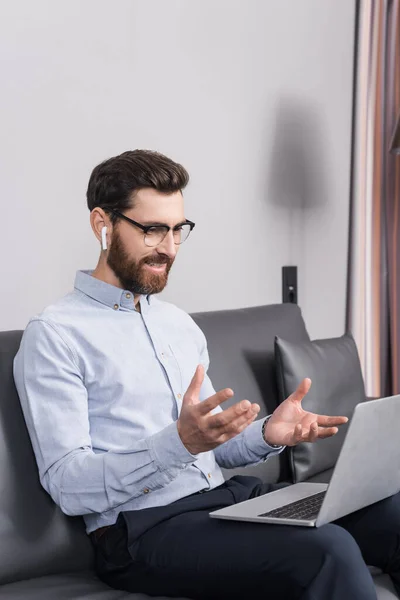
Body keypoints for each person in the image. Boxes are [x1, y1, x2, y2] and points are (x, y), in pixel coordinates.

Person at [13, 150, 400, 600]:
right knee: (327, 549)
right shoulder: (56, 335)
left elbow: (213, 445)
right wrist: (178, 444)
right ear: (103, 224)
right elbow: (67, 486)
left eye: (179, 229)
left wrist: (268, 434)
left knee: (391, 514)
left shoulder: (177, 323)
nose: (170, 248)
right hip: (143, 531)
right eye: (153, 229)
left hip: (228, 498)